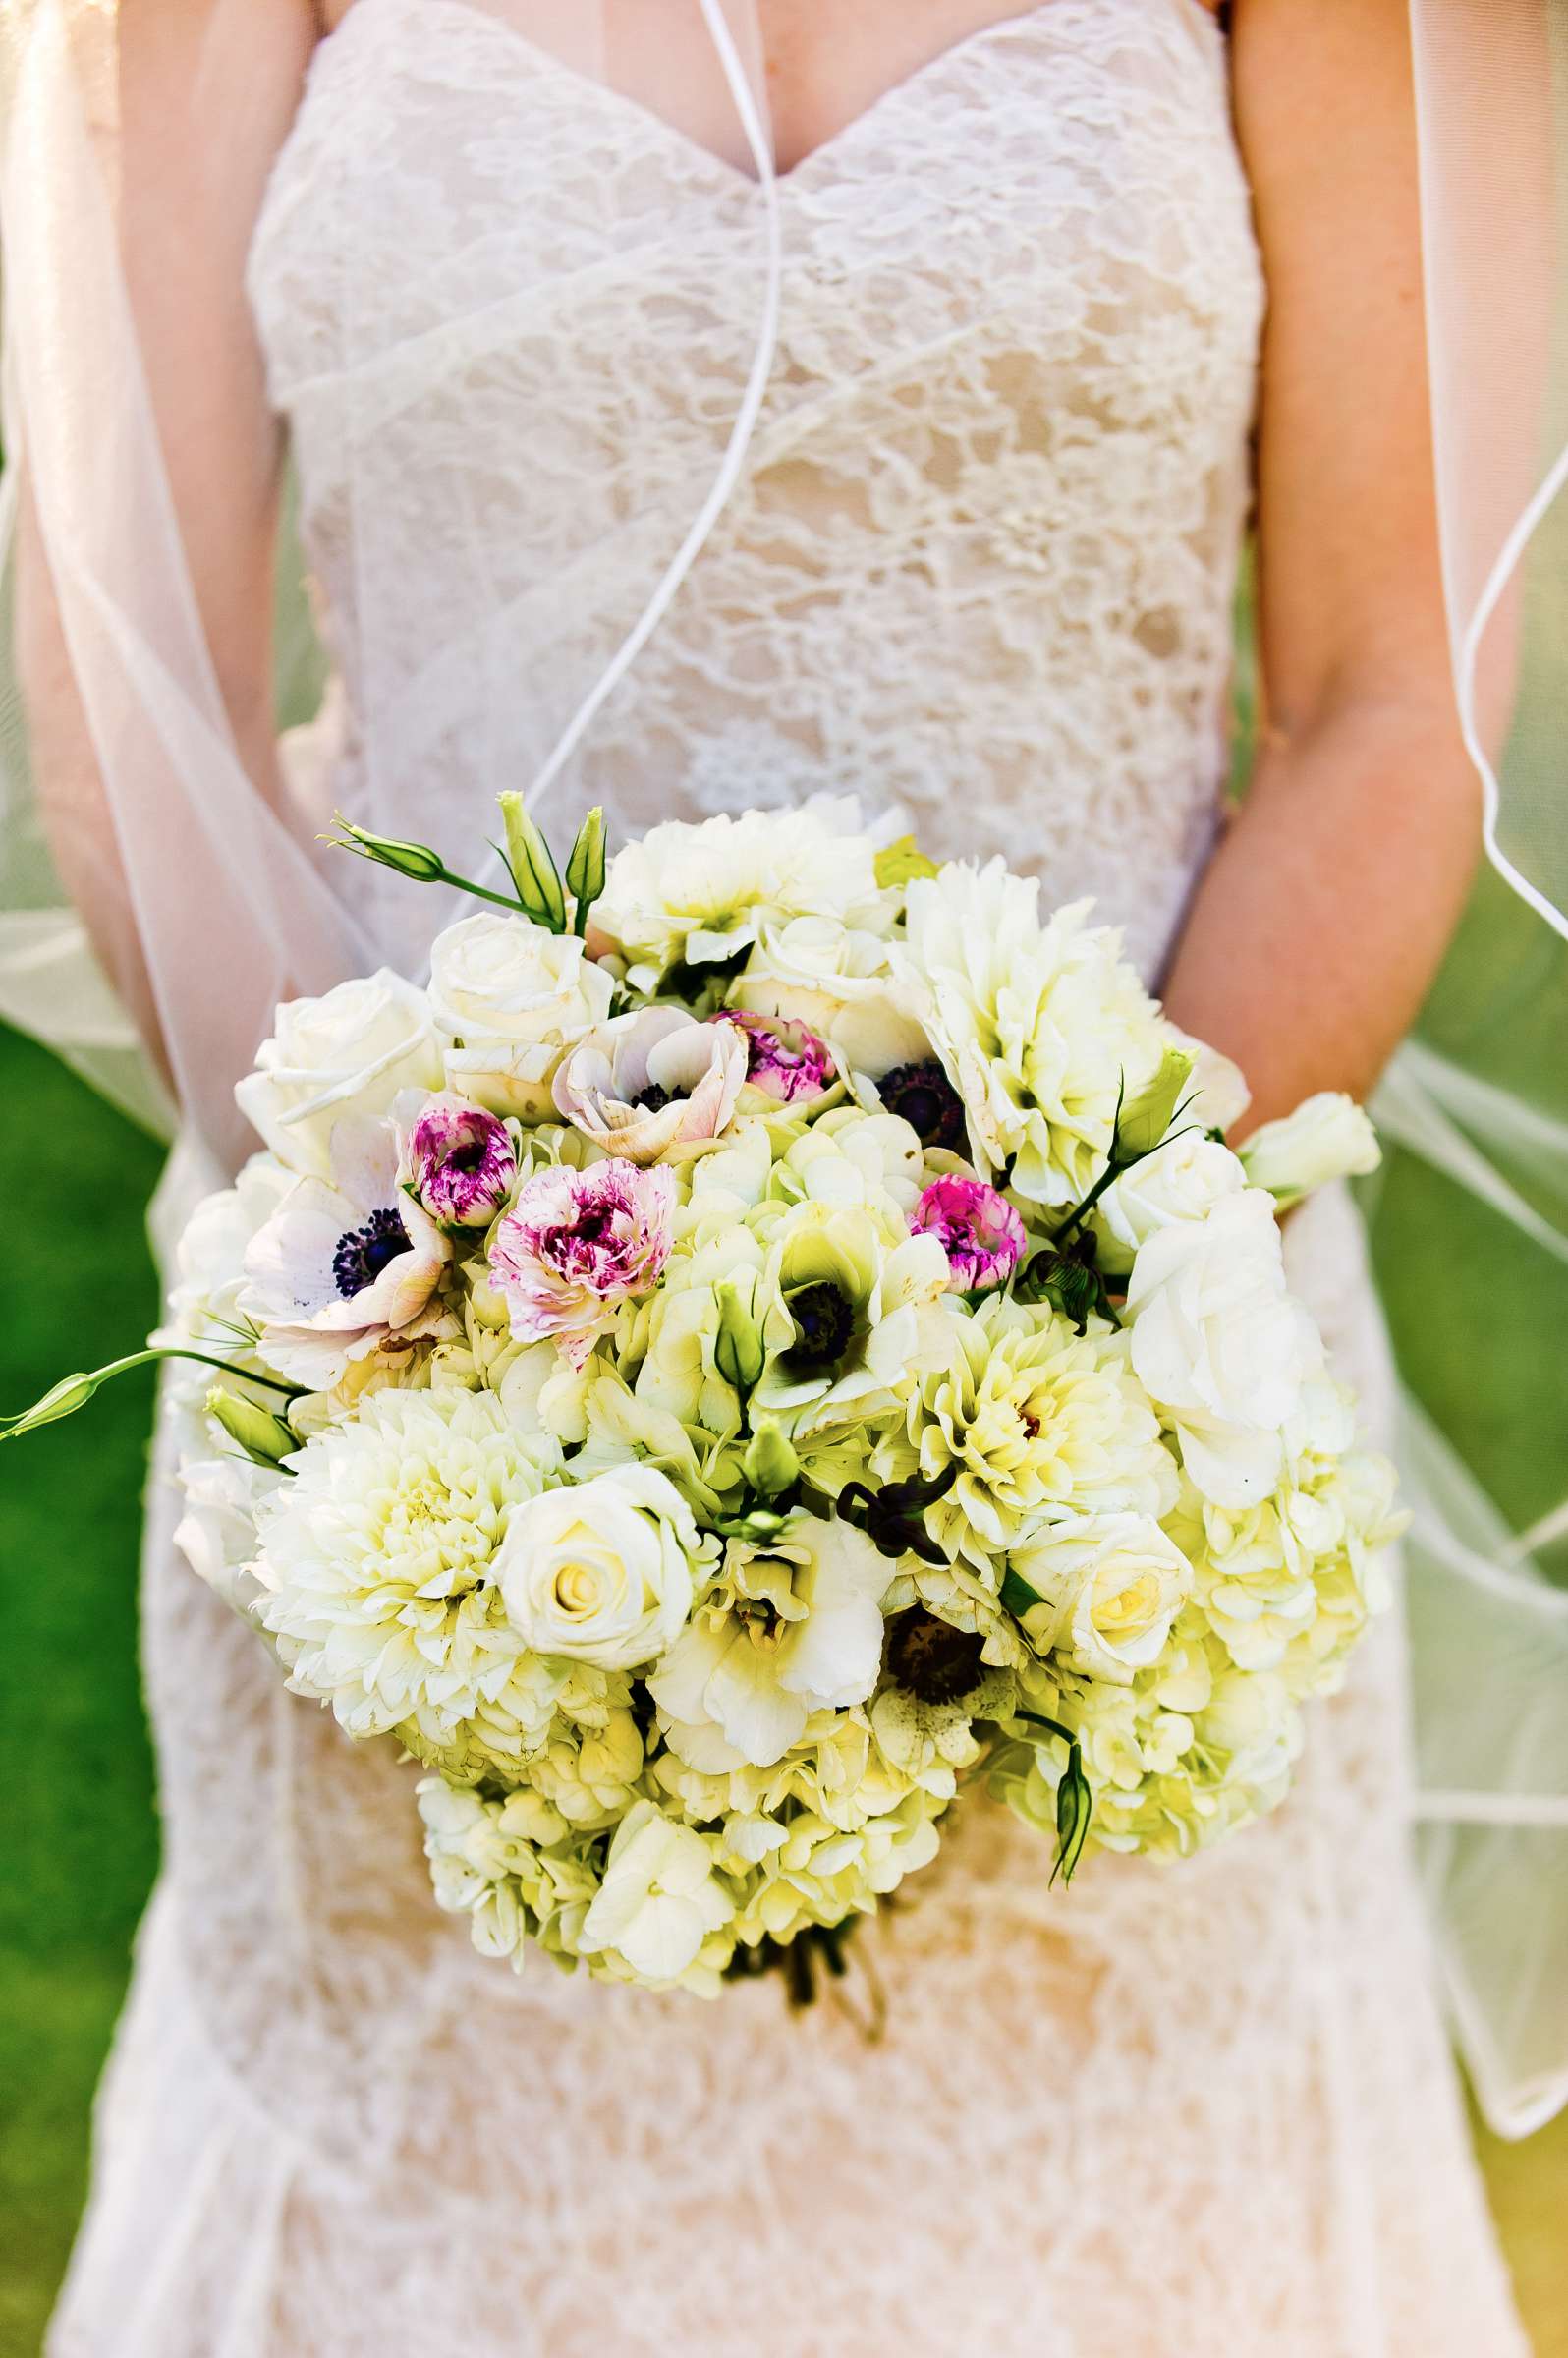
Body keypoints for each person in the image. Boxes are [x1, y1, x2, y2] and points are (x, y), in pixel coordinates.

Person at [3, 2, 1543, 2349]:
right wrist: (421, 1339)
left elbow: (1376, 706)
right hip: (427, 1445)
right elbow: (151, 706)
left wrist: (1050, 1398)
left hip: (1116, 1479)